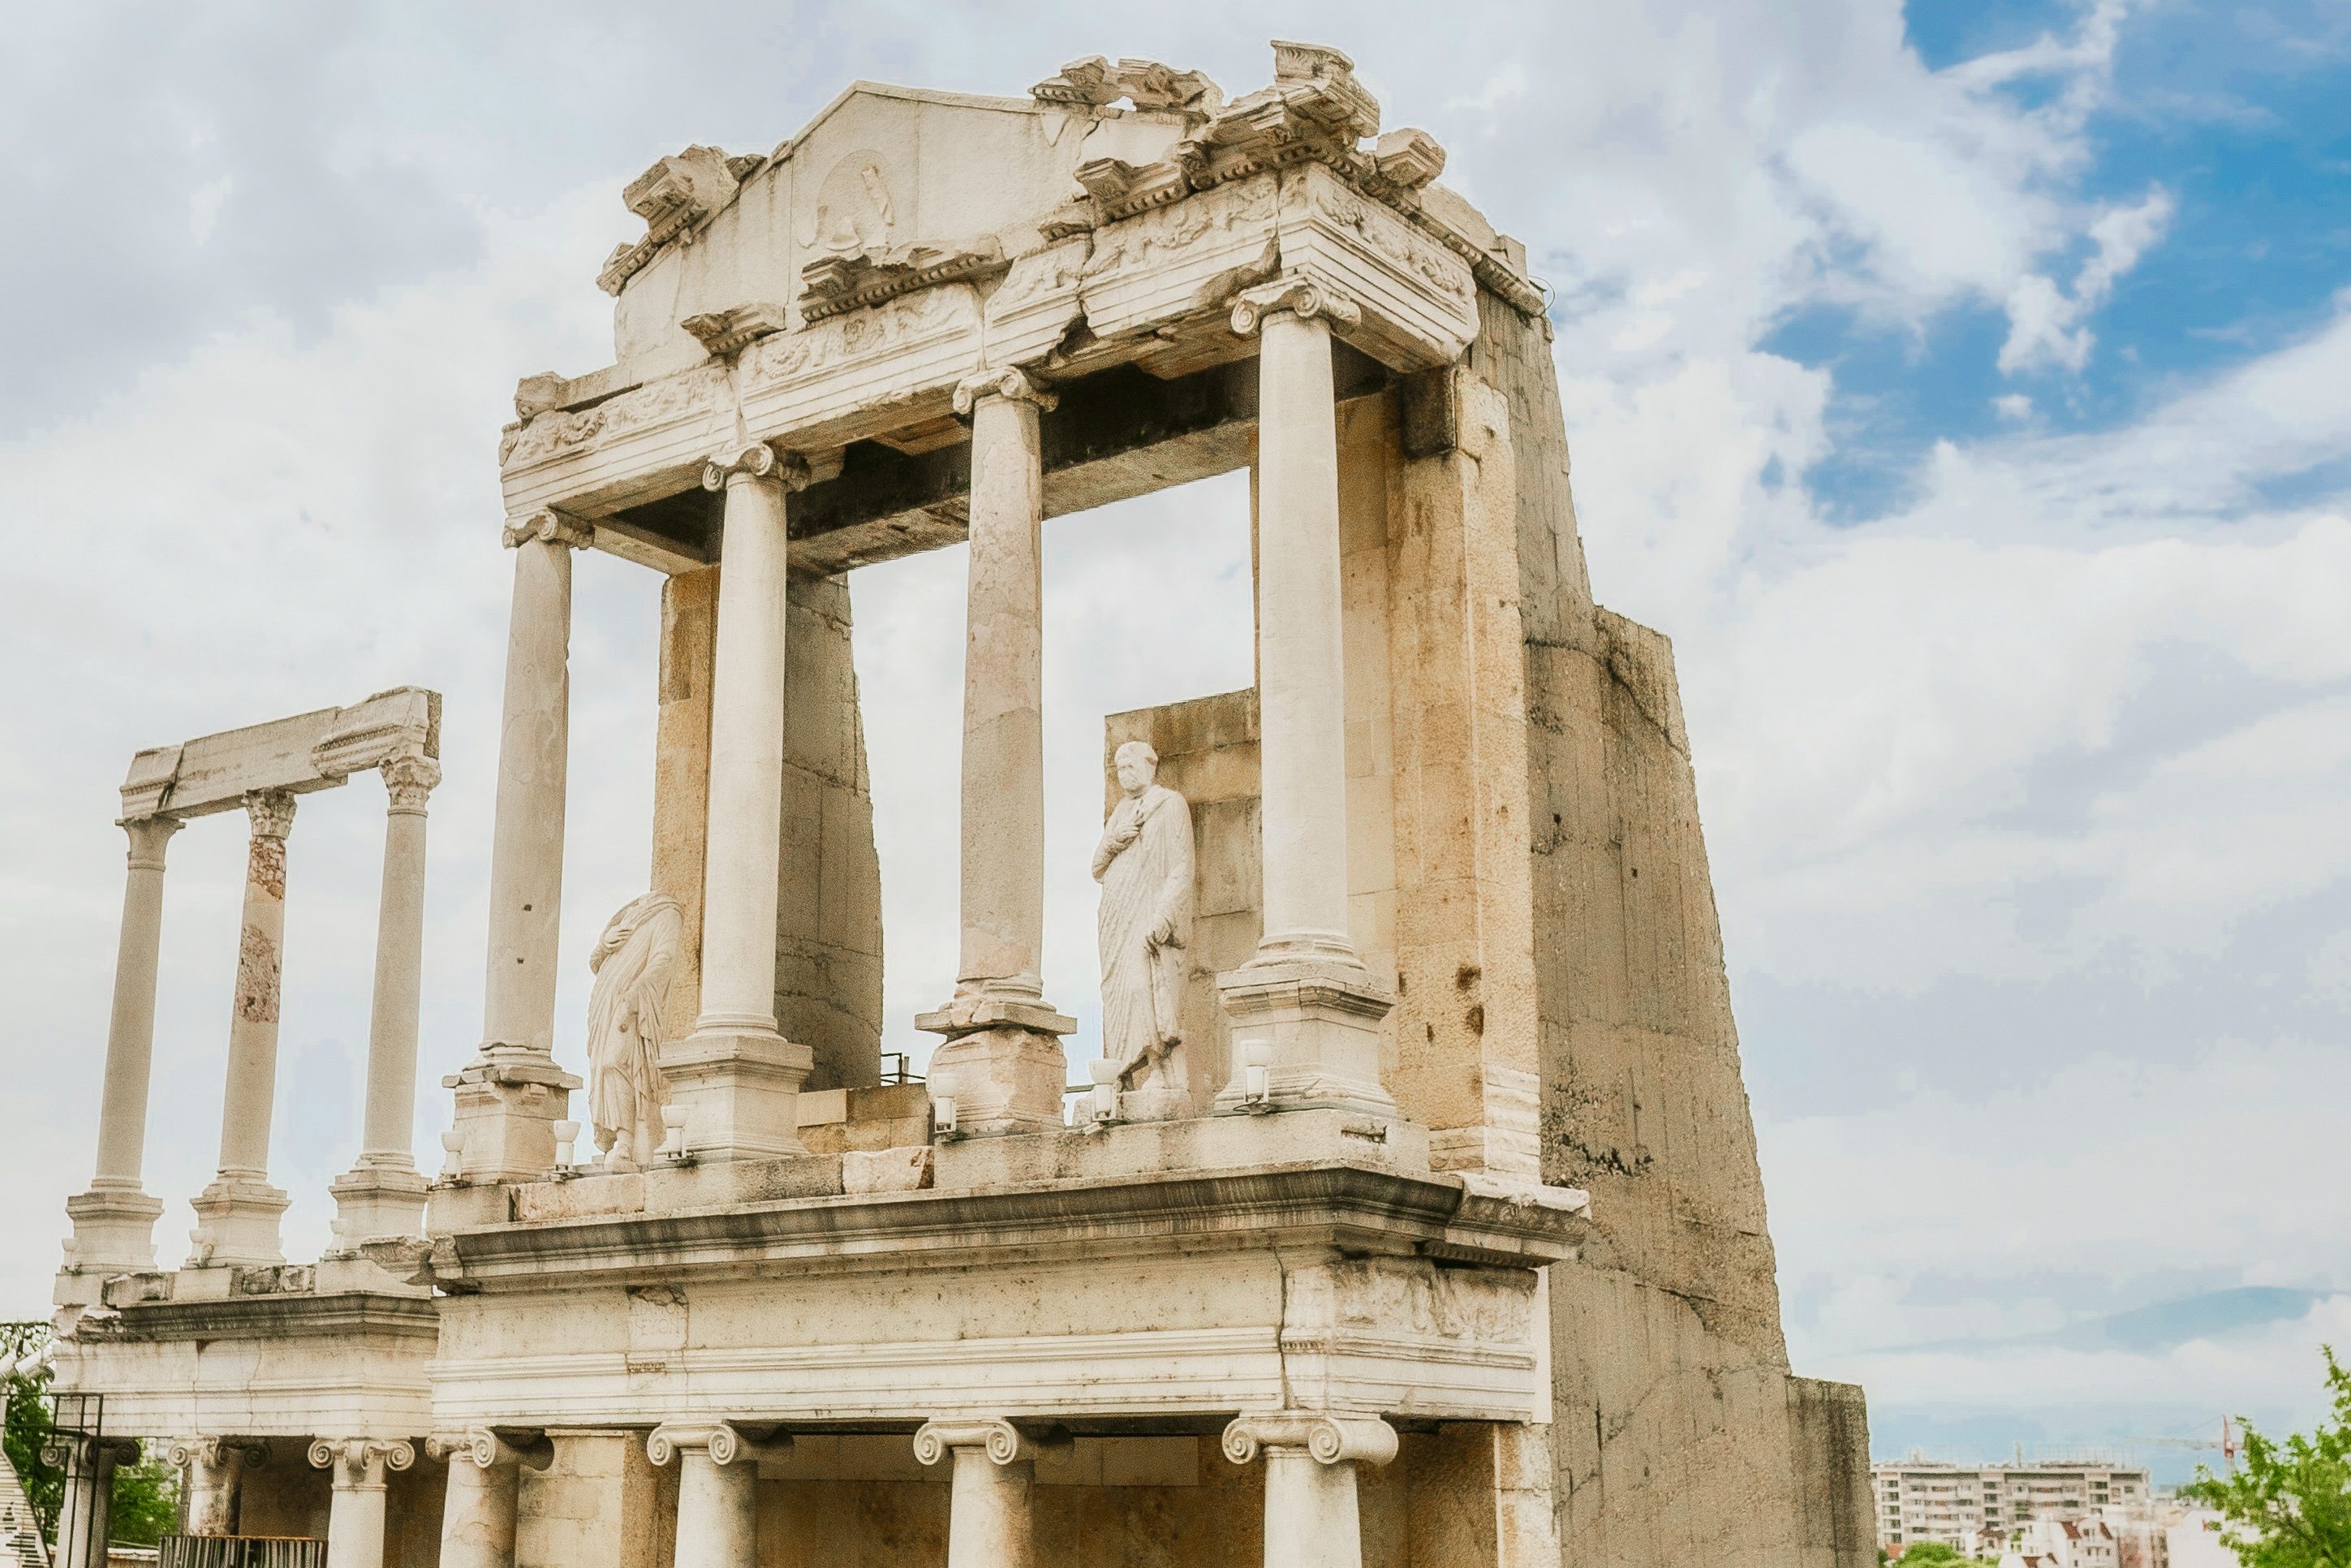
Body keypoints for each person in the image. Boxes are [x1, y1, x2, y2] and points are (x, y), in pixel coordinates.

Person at [1093, 740, 1195, 1109]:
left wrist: (1165, 914)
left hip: (1147, 910)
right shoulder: (1120, 811)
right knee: (1116, 992)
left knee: (1143, 987)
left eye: (1131, 766)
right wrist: (1115, 840)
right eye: (1119, 768)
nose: (1125, 774)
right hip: (1115, 916)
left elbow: (1182, 866)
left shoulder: (1169, 804)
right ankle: (1120, 1075)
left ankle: (1157, 1067)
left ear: (1151, 766)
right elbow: (1096, 868)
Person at [584, 891, 682, 1170]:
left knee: (616, 1062)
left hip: (632, 1002)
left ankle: (627, 1143)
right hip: (604, 1004)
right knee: (602, 1068)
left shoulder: (667, 912)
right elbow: (595, 963)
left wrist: (634, 996)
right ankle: (620, 1140)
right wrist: (604, 945)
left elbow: (664, 959)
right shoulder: (624, 915)